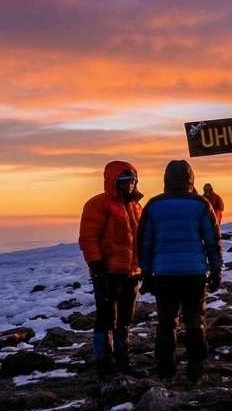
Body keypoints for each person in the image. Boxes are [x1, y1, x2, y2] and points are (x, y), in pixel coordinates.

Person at [138, 160, 223, 382]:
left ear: (166, 178)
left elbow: (145, 242)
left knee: (167, 321)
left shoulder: (153, 205)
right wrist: (216, 270)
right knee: (194, 318)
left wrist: (146, 273)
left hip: (164, 274)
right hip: (194, 273)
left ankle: (166, 369)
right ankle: (196, 367)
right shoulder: (201, 204)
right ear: (191, 179)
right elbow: (212, 241)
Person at [78, 160, 144, 378]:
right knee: (106, 318)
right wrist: (96, 267)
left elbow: (140, 238)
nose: (130, 184)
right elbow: (88, 237)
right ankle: (104, 364)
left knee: (125, 320)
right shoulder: (99, 204)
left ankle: (123, 361)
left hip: (132, 272)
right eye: (125, 180)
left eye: (132, 180)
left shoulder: (136, 206)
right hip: (108, 272)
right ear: (112, 181)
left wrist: (144, 266)